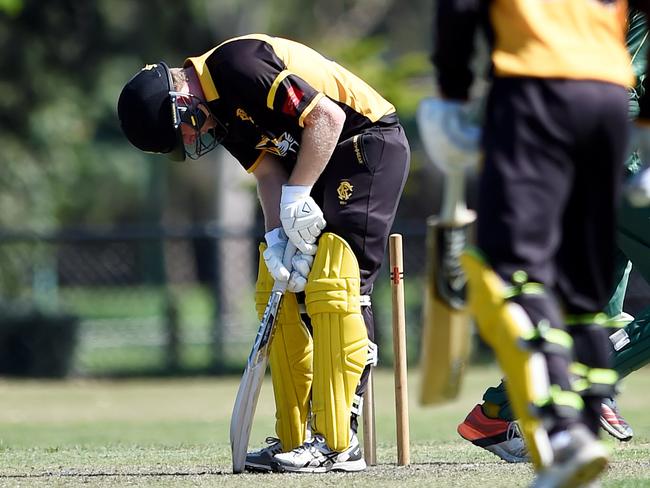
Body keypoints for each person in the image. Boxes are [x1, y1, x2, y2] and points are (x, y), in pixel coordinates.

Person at [117, 33, 410, 473]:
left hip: (365, 142)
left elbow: (326, 118)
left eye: (185, 130)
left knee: (337, 279)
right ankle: (301, 437)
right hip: (318, 160)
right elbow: (269, 170)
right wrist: (277, 239)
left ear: (180, 101)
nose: (195, 137)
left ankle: (339, 441)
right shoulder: (218, 112)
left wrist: (298, 194)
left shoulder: (237, 64)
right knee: (292, 289)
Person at [429, 0, 650, 485]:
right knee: (587, 289)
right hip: (610, 109)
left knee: (520, 273)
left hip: (530, 98)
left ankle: (561, 426)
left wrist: (451, 93)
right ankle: (575, 423)